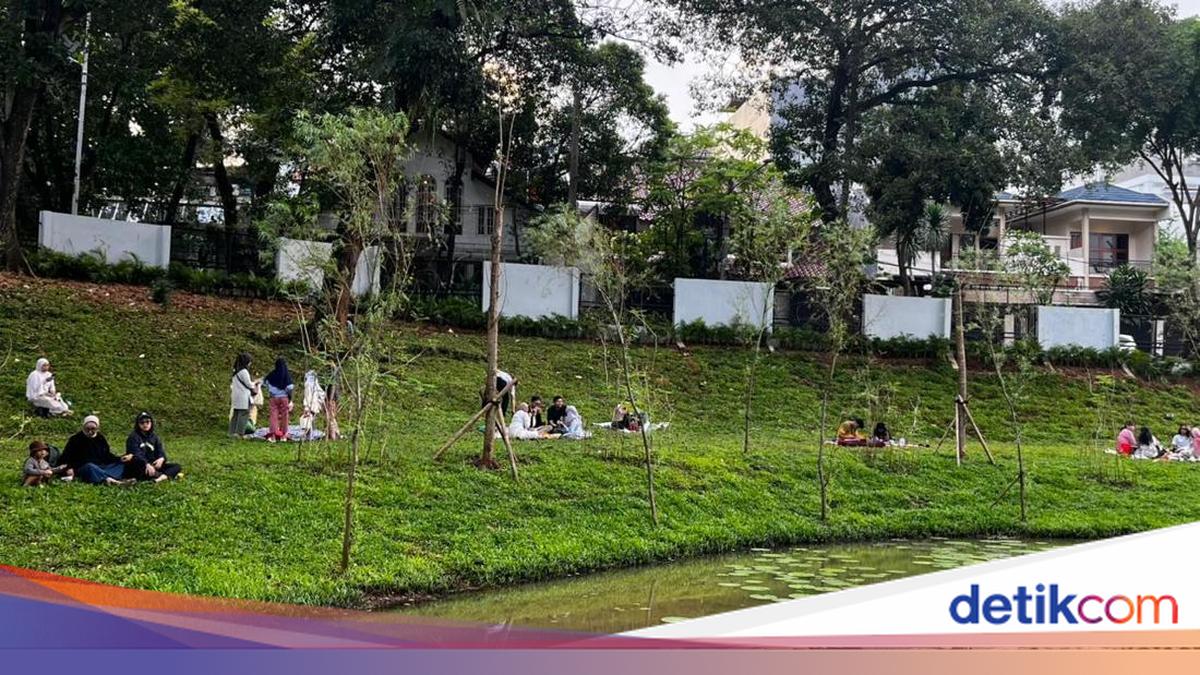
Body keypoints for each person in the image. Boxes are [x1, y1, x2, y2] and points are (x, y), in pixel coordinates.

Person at [59, 416, 140, 485]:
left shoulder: (100, 438)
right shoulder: (75, 439)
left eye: (93, 429)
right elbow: (65, 458)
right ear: (83, 427)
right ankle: (114, 481)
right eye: (87, 429)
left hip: (102, 466)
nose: (90, 431)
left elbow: (107, 455)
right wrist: (69, 468)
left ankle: (105, 477)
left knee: (121, 464)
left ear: (97, 428)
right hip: (84, 467)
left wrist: (120, 459)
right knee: (90, 467)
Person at [125, 412, 182, 482]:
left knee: (176, 466)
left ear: (151, 423)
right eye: (142, 422)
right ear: (138, 424)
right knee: (139, 469)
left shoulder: (155, 437)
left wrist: (161, 458)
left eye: (147, 422)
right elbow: (136, 454)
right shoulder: (133, 437)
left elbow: (161, 451)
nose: (145, 424)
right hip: (140, 465)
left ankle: (159, 478)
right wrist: (146, 464)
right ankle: (165, 476)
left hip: (153, 465)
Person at [263, 357, 295, 442]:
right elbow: (290, 388)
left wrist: (271, 390)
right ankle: (283, 435)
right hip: (284, 398)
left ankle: (273, 435)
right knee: (285, 416)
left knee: (273, 416)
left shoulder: (272, 375)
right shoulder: (286, 375)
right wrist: (290, 399)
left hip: (273, 398)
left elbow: (265, 383)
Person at [229, 353, 257, 438]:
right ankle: (239, 433)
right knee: (243, 414)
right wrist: (255, 383)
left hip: (236, 395)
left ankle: (232, 432)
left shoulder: (235, 371)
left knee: (236, 414)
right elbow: (249, 384)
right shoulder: (244, 372)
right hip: (243, 396)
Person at [299, 370, 326, 440]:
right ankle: (310, 435)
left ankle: (309, 435)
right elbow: (322, 393)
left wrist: (306, 406)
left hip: (310, 404)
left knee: (308, 419)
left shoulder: (307, 384)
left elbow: (307, 396)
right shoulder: (315, 384)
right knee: (311, 419)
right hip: (315, 404)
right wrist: (320, 401)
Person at [325, 366, 341, 441]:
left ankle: (334, 435)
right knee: (330, 416)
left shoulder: (332, 369)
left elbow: (333, 385)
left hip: (332, 397)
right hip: (333, 396)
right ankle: (334, 434)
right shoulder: (336, 368)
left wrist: (330, 399)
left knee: (331, 416)